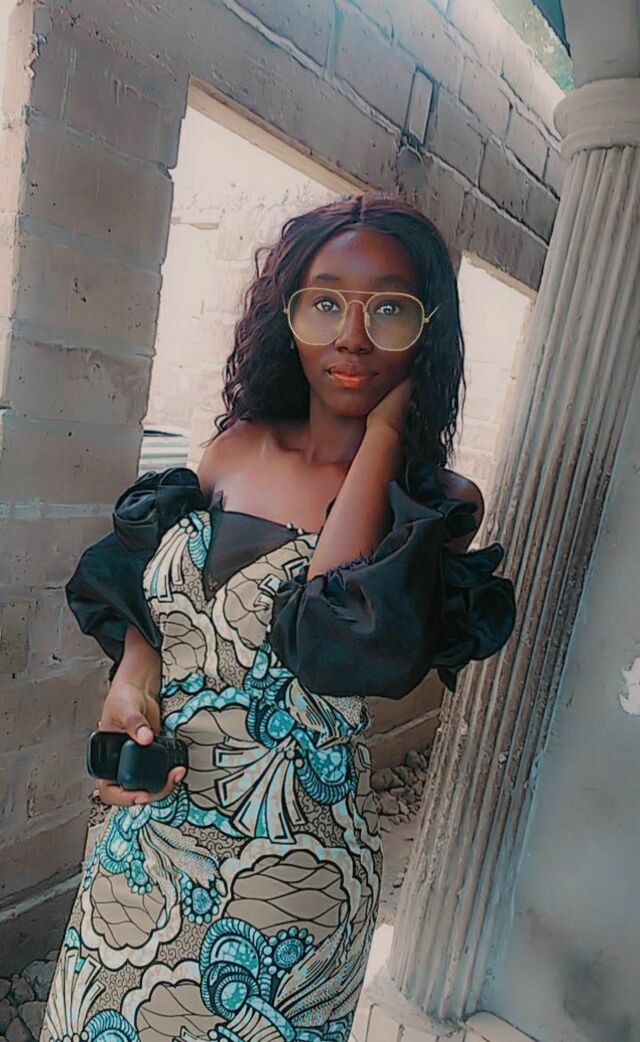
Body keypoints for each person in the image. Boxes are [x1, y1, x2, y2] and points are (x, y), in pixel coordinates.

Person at [40, 195, 515, 1042]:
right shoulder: (233, 449)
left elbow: (330, 639)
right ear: (286, 313)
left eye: (390, 310)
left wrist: (386, 431)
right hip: (143, 852)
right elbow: (152, 589)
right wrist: (132, 675)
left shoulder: (429, 508)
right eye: (325, 302)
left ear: (428, 329)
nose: (352, 336)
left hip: (290, 885)